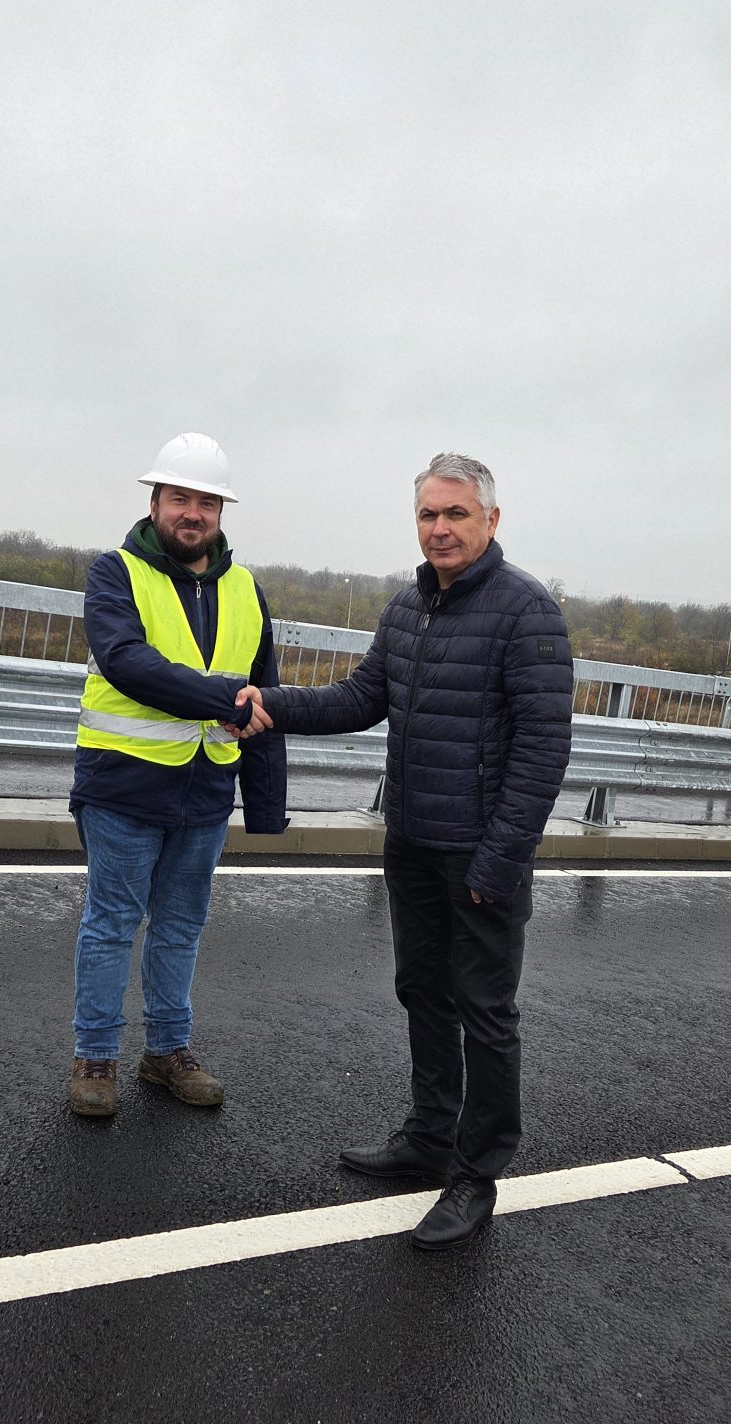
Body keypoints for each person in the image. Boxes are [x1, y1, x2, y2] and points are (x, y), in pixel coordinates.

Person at [235, 452, 572, 1250]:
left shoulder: (528, 612)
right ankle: (429, 1136)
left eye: (456, 514)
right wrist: (269, 703)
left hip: (480, 853)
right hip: (413, 842)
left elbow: (542, 751)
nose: (440, 529)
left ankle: (476, 1174)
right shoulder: (407, 607)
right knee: (423, 991)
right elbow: (360, 697)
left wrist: (501, 859)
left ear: (491, 520)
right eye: (428, 514)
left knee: (486, 1013)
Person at [68, 432, 285, 1118]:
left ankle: (167, 1051)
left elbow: (266, 696)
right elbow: (128, 662)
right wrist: (224, 700)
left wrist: (266, 805)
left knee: (182, 926)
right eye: (180, 498)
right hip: (124, 785)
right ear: (155, 502)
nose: (193, 513)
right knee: (111, 924)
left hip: (205, 789)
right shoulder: (116, 573)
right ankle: (95, 1056)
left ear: (221, 512)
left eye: (206, 503)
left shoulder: (247, 590)